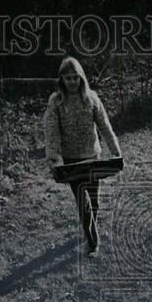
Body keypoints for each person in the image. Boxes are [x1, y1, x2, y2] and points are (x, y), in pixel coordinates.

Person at [44, 57, 121, 254]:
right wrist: (56, 158)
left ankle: (89, 229)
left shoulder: (92, 98)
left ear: (81, 78)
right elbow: (52, 132)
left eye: (75, 78)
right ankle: (93, 242)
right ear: (61, 79)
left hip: (92, 157)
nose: (72, 82)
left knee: (94, 201)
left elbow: (104, 125)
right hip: (71, 162)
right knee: (83, 202)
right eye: (68, 78)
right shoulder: (56, 101)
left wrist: (115, 151)